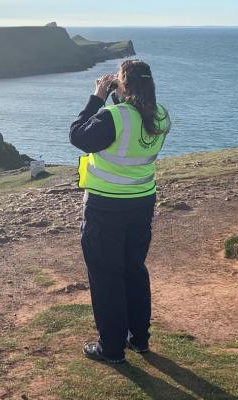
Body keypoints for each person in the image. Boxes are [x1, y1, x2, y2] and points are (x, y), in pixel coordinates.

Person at [70, 59, 171, 364]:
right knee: (133, 271)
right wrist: (119, 96)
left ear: (121, 84)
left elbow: (78, 135)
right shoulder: (160, 115)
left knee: (106, 277)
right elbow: (131, 125)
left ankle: (111, 348)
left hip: (105, 207)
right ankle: (138, 338)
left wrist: (98, 96)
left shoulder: (113, 116)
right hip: (141, 203)